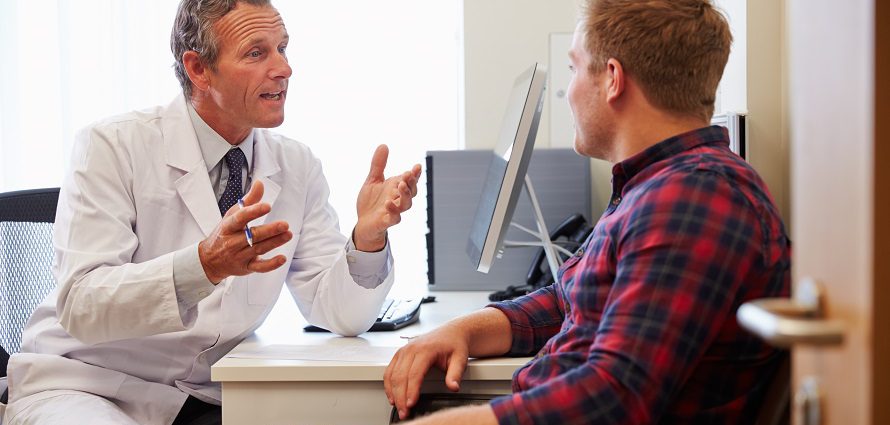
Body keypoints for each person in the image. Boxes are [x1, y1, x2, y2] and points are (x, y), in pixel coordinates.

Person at [1, 0, 421, 424]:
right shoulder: (111, 147)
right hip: (84, 386)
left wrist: (367, 239)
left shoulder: (297, 166)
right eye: (257, 53)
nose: (284, 69)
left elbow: (339, 313)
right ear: (198, 69)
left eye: (283, 48)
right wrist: (202, 266)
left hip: (204, 396)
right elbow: (82, 304)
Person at [383, 0, 791, 424]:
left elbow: (613, 399)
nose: (570, 90)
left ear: (612, 79)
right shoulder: (653, 186)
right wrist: (463, 330)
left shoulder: (694, 197)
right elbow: (568, 299)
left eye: (574, 69)